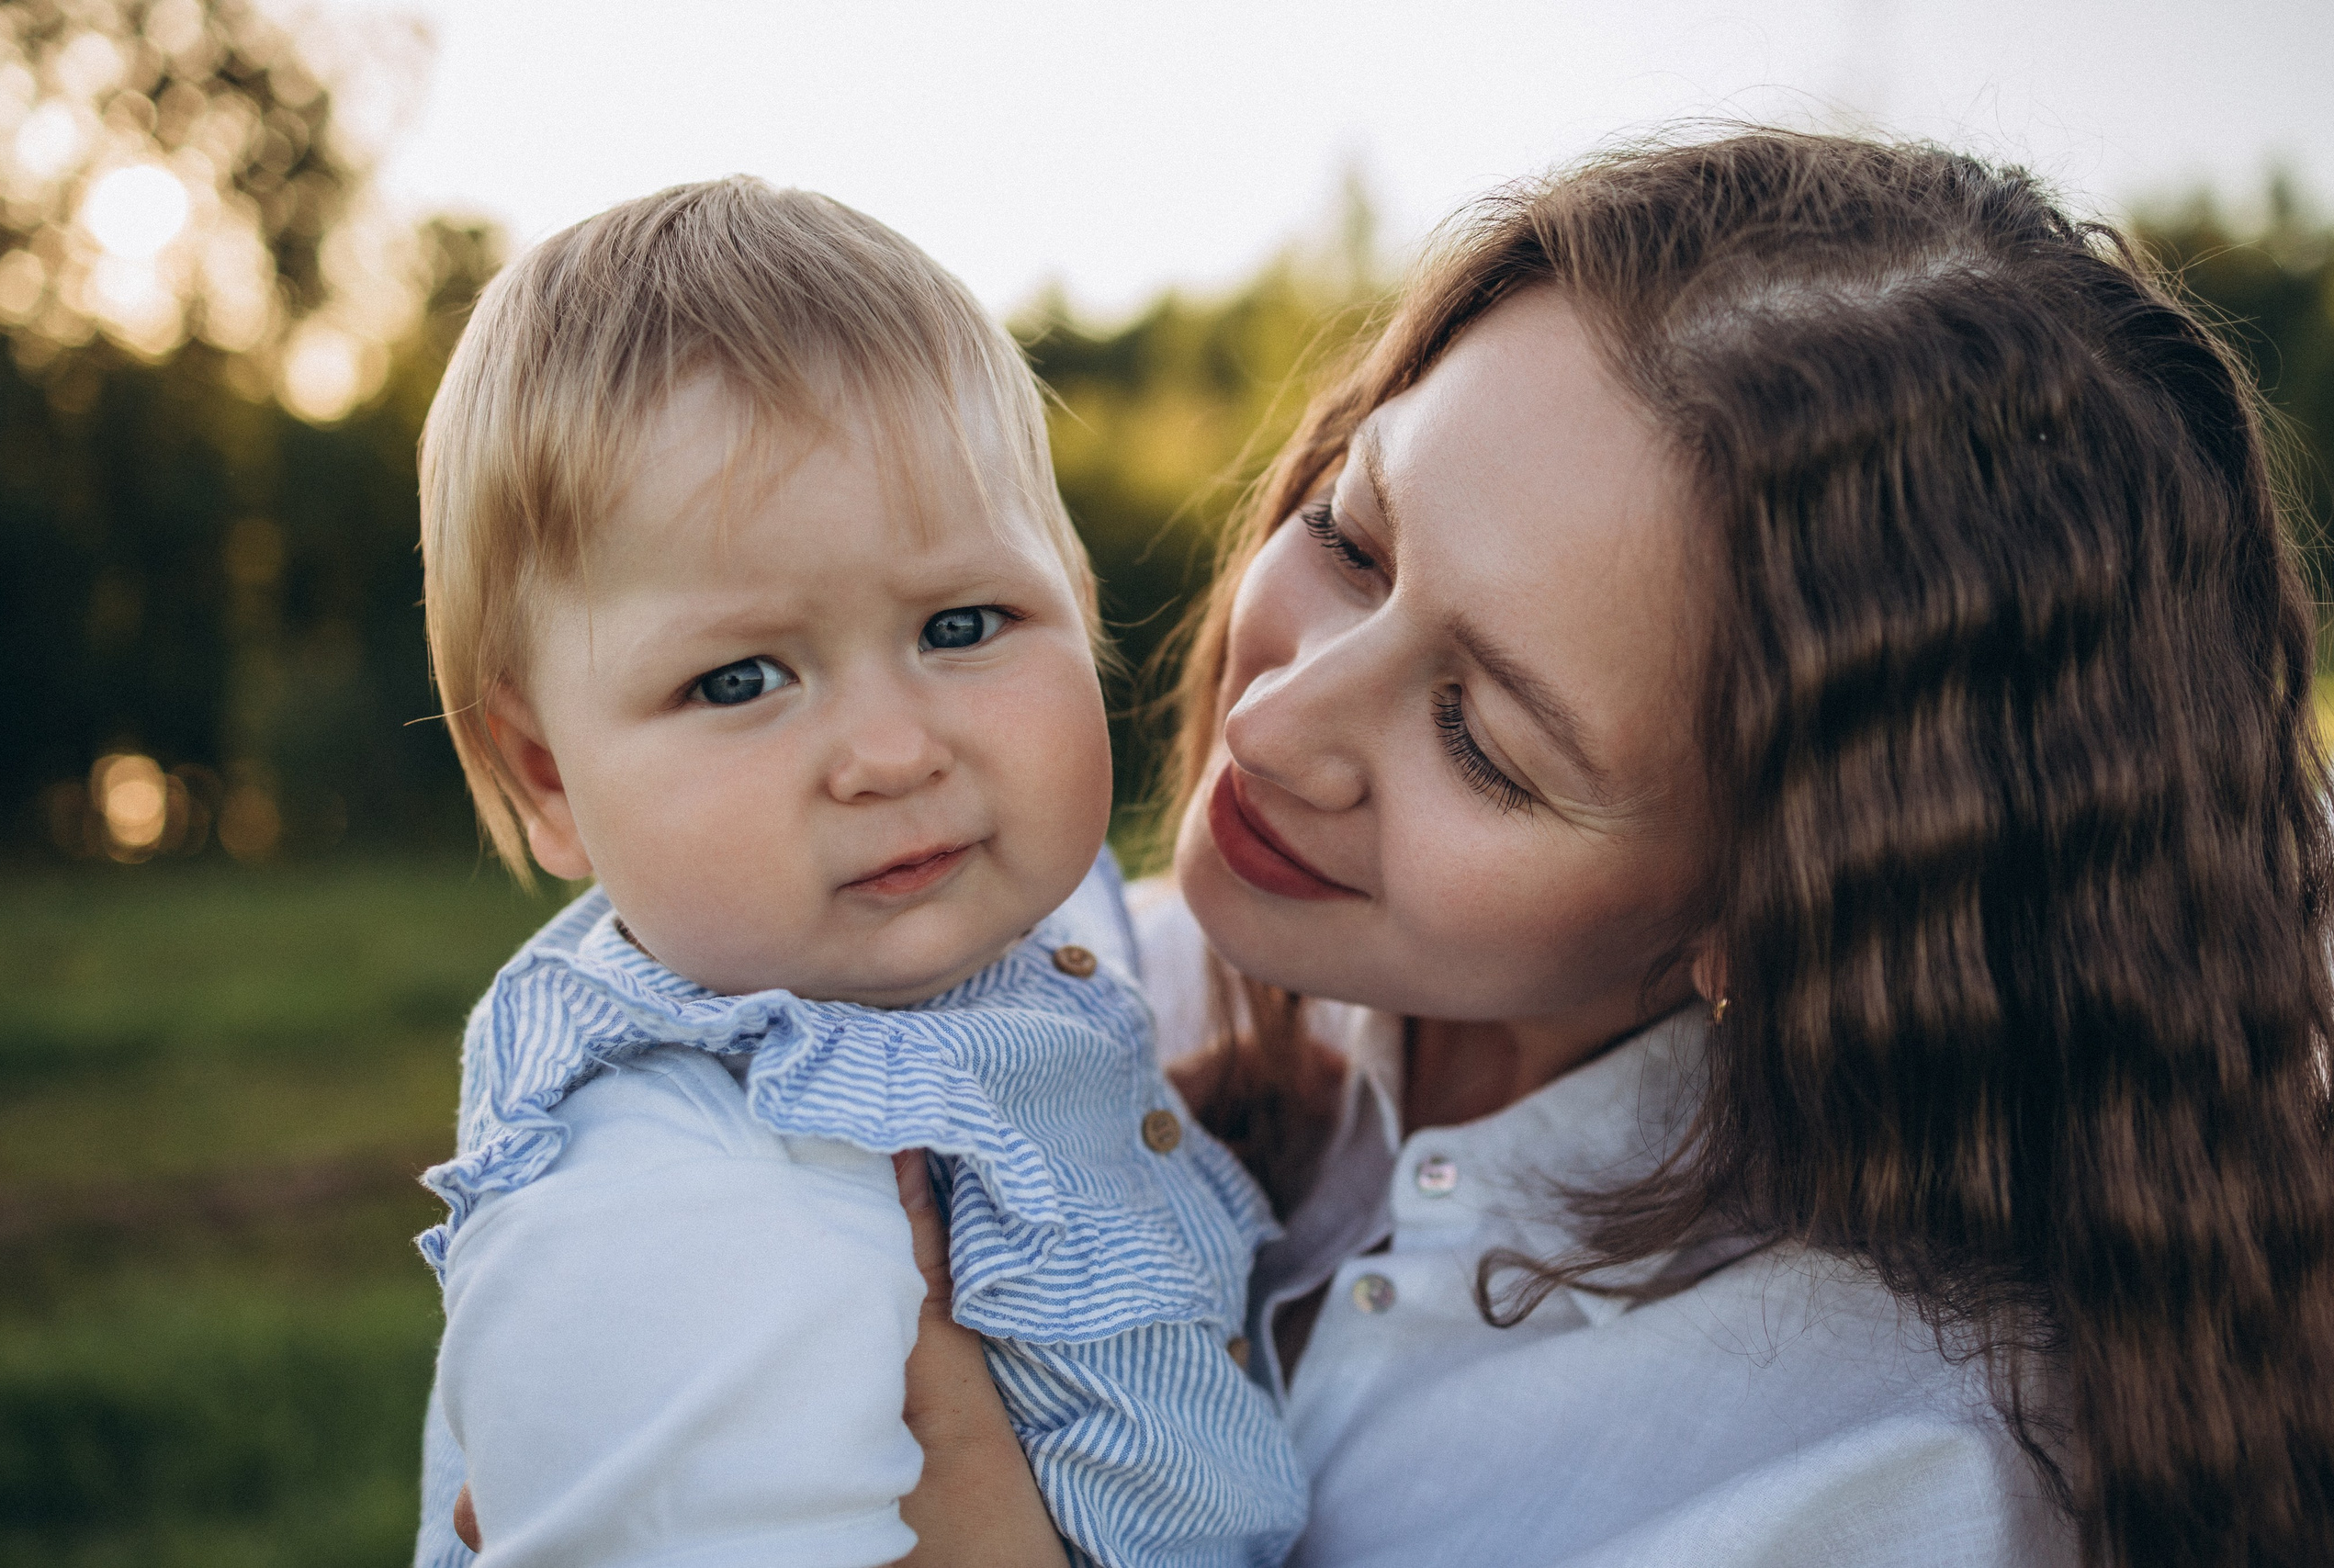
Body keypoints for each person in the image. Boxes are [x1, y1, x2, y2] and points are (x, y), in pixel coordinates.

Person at [892, 130, 2334, 1566]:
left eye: (1482, 742)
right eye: (1351, 539)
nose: (1271, 723)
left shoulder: (1883, 1483)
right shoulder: (1081, 982)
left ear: (1769, 913)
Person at [408, 177, 1302, 1568]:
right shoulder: (666, 1193)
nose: (890, 752)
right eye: (741, 677)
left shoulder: (1037, 941)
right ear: (546, 779)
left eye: (962, 622)